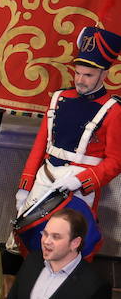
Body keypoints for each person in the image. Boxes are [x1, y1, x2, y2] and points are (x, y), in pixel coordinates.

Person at [14, 21, 121, 259]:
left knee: (71, 249)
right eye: (78, 73)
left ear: (104, 74)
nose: (80, 80)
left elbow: (115, 161)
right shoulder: (59, 98)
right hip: (45, 179)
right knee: (33, 241)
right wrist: (24, 186)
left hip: (78, 189)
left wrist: (80, 181)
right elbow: (39, 147)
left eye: (88, 75)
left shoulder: (114, 110)